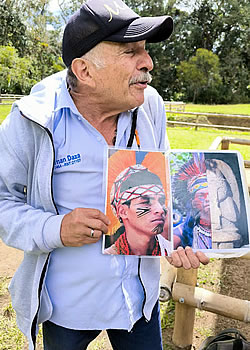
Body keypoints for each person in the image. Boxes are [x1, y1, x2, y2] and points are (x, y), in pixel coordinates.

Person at [0, 1, 209, 349]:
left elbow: (167, 187)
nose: (148, 63)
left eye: (145, 50)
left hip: (137, 301)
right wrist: (57, 228)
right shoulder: (33, 120)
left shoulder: (150, 104)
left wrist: (176, 236)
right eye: (131, 52)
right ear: (84, 70)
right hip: (67, 306)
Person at [104, 164, 171, 256]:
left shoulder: (173, 253)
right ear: (123, 211)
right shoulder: (107, 257)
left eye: (162, 201)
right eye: (146, 202)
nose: (160, 210)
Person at [173, 153, 212, 249]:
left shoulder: (230, 228)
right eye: (201, 195)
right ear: (193, 202)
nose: (207, 199)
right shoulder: (180, 232)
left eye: (210, 194)